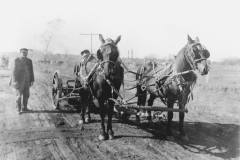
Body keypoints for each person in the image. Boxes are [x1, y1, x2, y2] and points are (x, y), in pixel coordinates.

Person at [10, 48, 34, 114]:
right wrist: (15, 81)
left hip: (27, 81)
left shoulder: (29, 61)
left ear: (27, 53)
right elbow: (13, 71)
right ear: (20, 53)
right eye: (23, 52)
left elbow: (31, 71)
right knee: (18, 95)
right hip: (19, 81)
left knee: (26, 95)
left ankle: (25, 108)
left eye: (26, 52)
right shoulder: (16, 60)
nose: (24, 54)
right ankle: (18, 109)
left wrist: (32, 79)